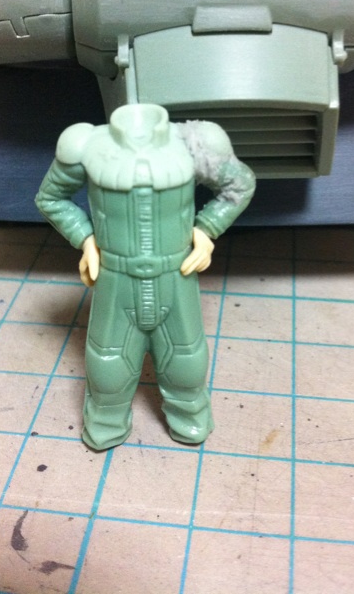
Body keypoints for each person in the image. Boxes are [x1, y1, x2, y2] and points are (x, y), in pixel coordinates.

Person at [36, 103, 255, 450]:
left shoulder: (195, 142)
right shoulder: (85, 145)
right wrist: (86, 239)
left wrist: (207, 229)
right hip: (115, 280)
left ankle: (191, 422)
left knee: (186, 365)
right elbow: (51, 198)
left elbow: (240, 185)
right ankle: (105, 427)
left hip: (176, 277)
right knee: (108, 369)